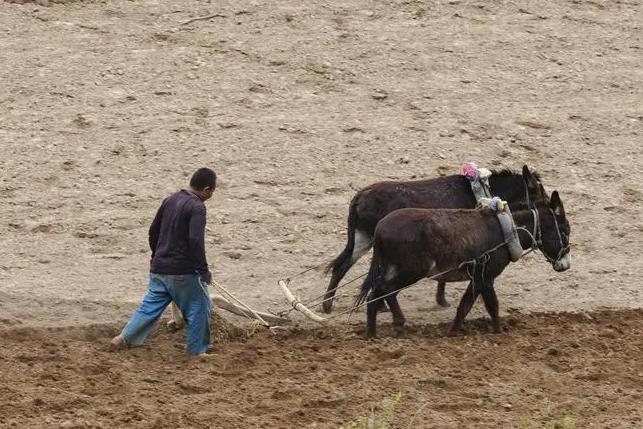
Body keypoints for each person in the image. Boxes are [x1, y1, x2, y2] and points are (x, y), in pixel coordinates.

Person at [111, 167, 216, 356]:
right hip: (183, 271)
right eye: (212, 192)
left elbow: (153, 232)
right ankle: (197, 351)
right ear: (207, 189)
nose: (211, 196)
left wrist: (157, 255)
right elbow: (195, 241)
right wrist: (203, 270)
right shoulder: (197, 207)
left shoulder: (170, 200)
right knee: (199, 306)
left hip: (159, 268)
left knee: (149, 307)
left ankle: (123, 338)